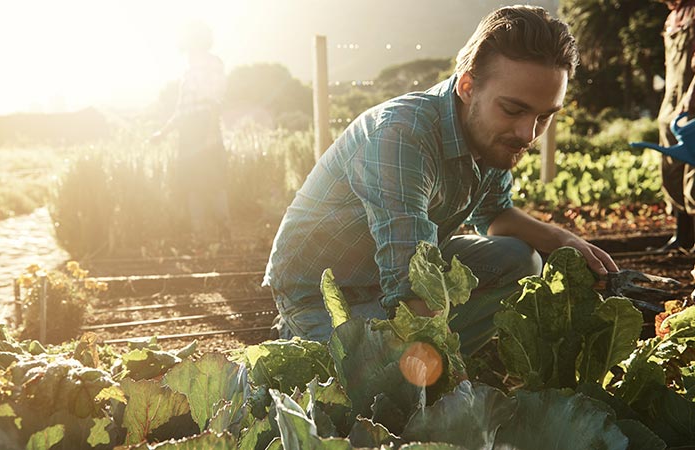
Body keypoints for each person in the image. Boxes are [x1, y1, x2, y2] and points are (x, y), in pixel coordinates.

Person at [263, 5, 619, 354]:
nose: (528, 133)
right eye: (513, 110)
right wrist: (437, 364)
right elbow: (409, 281)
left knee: (521, 260)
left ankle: (420, 359)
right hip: (327, 293)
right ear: (467, 87)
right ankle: (300, 336)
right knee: (373, 387)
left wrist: (563, 239)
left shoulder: (492, 138)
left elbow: (495, 216)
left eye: (545, 116)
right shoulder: (401, 135)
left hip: (396, 274)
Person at [151, 21, 231, 244]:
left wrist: (210, 134)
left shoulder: (210, 65)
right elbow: (181, 110)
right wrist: (163, 133)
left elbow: (214, 102)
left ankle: (222, 234)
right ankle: (201, 236)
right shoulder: (190, 70)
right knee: (193, 185)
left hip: (204, 127)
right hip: (190, 131)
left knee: (213, 183)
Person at [657, 0, 695, 252]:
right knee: (671, 169)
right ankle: (682, 237)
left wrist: (692, 96)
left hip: (690, 101)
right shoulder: (672, 17)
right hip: (671, 103)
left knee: (693, 171)